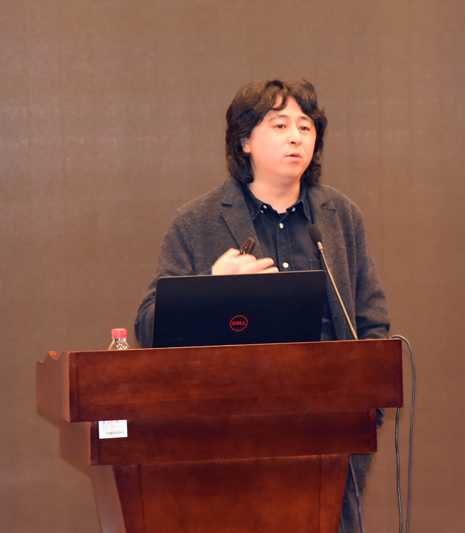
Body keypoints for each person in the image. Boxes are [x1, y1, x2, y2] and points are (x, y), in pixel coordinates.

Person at [134, 79, 390, 533]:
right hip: (231, 431)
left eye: (305, 126)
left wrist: (365, 408)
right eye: (280, 125)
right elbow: (149, 327)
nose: (296, 137)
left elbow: (371, 319)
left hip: (330, 427)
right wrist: (212, 287)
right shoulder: (196, 222)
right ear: (245, 141)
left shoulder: (339, 216)